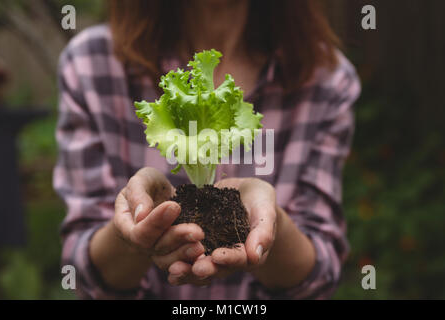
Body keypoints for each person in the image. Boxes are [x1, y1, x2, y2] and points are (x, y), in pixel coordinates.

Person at [54, 0, 361, 299]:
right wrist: (137, 230)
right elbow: (80, 271)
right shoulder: (90, 64)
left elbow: (320, 278)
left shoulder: (326, 77)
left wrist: (271, 229)